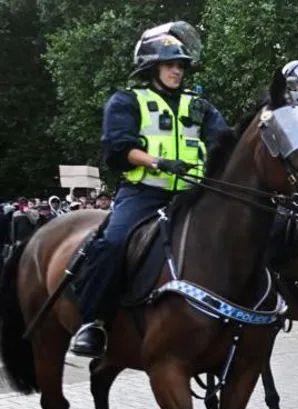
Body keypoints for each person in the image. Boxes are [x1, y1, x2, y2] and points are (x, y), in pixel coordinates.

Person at [70, 21, 229, 357]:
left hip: (192, 195)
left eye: (181, 65)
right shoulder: (128, 101)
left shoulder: (199, 105)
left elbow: (224, 143)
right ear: (153, 67)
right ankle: (93, 322)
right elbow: (118, 147)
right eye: (171, 65)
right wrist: (158, 162)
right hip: (145, 193)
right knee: (112, 243)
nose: (177, 71)